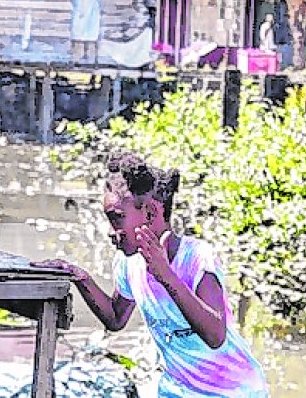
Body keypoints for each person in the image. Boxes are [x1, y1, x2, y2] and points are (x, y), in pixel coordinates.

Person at [35, 153, 268, 397]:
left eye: (117, 218)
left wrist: (165, 275)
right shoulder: (129, 263)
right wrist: (80, 277)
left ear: (149, 213)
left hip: (233, 390)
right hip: (177, 391)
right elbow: (116, 318)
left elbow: (215, 335)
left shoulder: (197, 257)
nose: (111, 231)